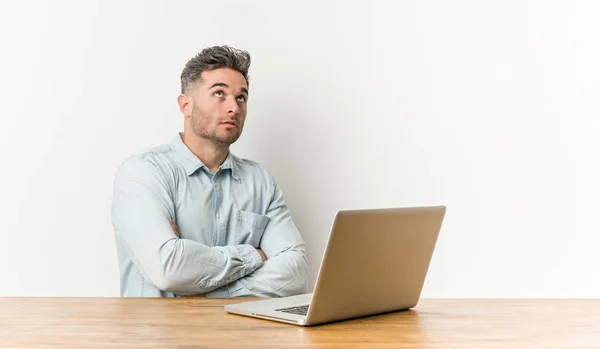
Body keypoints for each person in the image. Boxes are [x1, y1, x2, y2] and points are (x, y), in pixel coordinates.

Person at [111, 45, 309, 298]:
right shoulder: (143, 173)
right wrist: (253, 255)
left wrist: (203, 291)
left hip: (242, 335)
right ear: (185, 105)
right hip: (161, 335)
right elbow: (168, 268)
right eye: (219, 94)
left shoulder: (259, 181)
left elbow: (296, 273)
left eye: (241, 97)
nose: (234, 108)